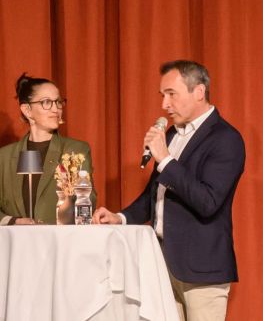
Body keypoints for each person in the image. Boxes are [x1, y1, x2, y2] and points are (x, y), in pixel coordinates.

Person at [94, 60, 244, 321]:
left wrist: (165, 160)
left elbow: (208, 201)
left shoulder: (226, 138)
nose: (164, 104)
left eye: (171, 94)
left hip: (202, 270)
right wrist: (121, 217)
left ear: (199, 91)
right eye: (162, 95)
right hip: (162, 264)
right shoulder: (173, 134)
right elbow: (156, 193)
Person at [0, 73, 95, 226]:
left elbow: (88, 201)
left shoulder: (76, 150)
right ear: (27, 110)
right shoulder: (4, 157)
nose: (56, 109)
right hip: (18, 244)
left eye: (58, 102)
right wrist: (15, 221)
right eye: (46, 102)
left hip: (61, 244)